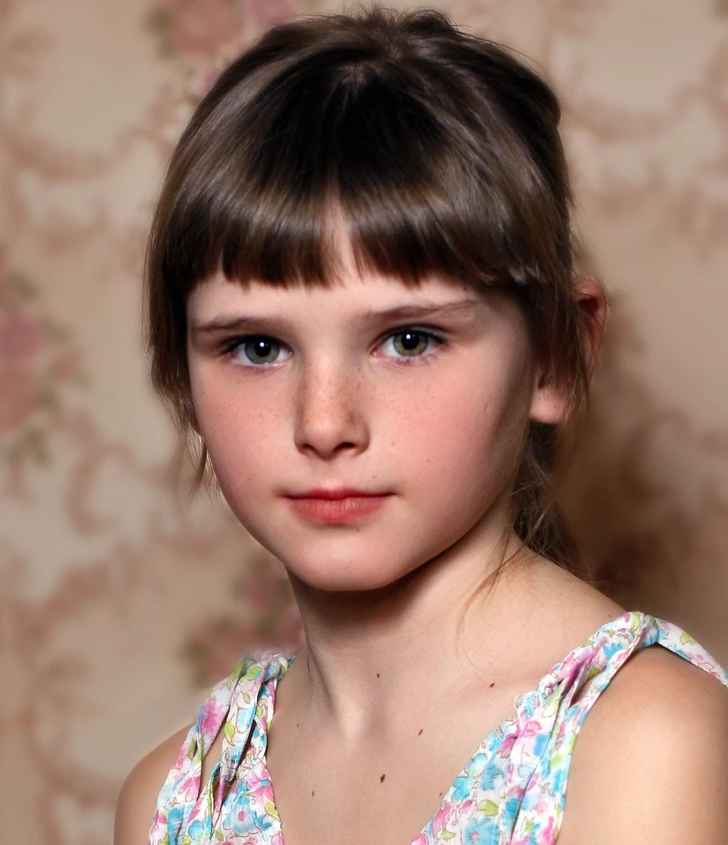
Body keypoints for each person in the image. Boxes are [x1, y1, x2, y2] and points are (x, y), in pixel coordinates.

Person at [114, 6, 728, 844]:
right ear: (180, 375)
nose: (324, 422)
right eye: (257, 347)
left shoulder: (643, 744)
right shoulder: (179, 795)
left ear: (554, 355)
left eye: (409, 339)